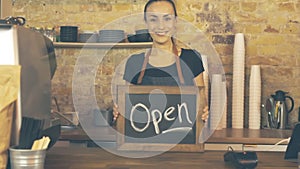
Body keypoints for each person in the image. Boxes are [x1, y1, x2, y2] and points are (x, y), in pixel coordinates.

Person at [113, 0, 209, 123]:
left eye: (167, 19)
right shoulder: (134, 62)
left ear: (175, 22)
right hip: (143, 139)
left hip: (183, 140)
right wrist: (120, 110)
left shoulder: (191, 59)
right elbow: (127, 105)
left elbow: (201, 102)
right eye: (153, 19)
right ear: (146, 23)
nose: (161, 26)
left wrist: (204, 110)